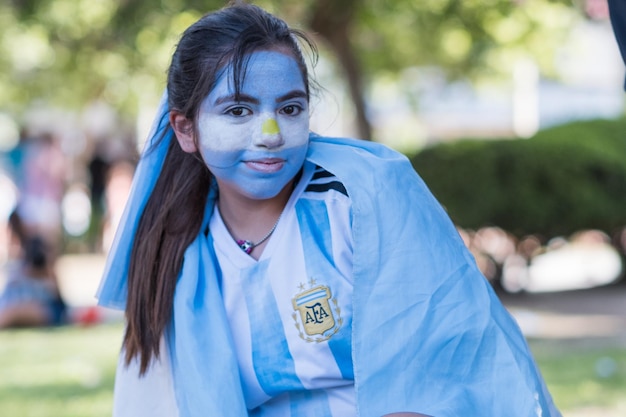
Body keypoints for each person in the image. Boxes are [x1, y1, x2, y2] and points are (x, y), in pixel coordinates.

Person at [97, 2, 561, 416]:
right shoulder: (175, 255)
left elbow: (442, 375)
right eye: (238, 111)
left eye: (291, 108)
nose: (270, 132)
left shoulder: (364, 203)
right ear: (186, 129)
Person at [0, 211, 66, 328]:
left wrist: (30, 273)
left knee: (13, 313)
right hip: (15, 303)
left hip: (43, 307)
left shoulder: (37, 248)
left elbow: (52, 285)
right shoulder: (13, 254)